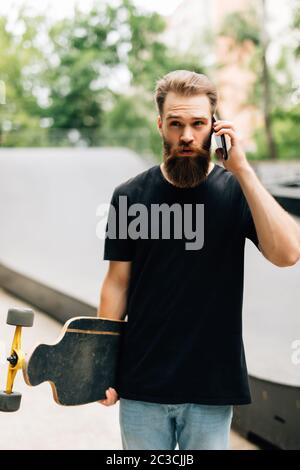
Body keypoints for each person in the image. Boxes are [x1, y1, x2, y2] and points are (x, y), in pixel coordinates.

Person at [97, 70, 300, 450]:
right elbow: (116, 283)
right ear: (160, 125)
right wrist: (100, 368)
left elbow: (288, 254)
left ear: (215, 127)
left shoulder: (236, 192)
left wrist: (242, 169)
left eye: (197, 124)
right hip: (142, 386)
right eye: (175, 124)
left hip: (211, 387)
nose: (186, 136)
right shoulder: (128, 196)